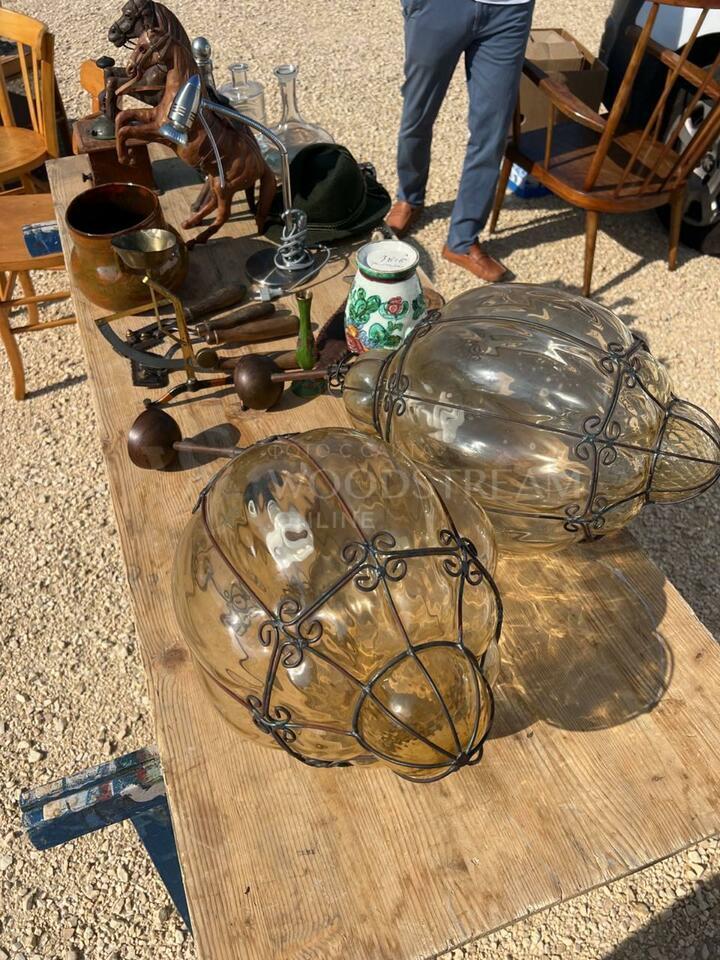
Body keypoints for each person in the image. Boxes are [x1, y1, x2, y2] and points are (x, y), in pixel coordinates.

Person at [387, 0, 534, 281]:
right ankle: (409, 197)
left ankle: (462, 239)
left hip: (510, 11)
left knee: (491, 132)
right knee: (417, 114)